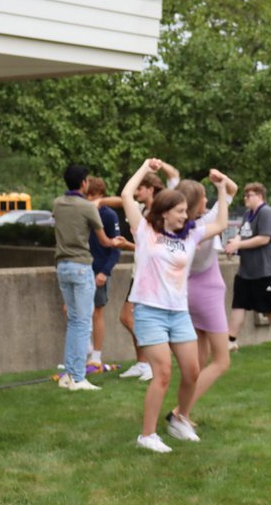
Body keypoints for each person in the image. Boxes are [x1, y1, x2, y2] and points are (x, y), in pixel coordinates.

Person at [121, 159, 231, 453]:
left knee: (192, 371)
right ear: (165, 212)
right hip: (150, 311)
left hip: (179, 313)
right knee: (163, 373)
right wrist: (145, 168)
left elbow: (221, 224)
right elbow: (126, 194)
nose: (186, 215)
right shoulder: (144, 230)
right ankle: (147, 435)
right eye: (181, 211)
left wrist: (221, 189)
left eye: (186, 211)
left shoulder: (191, 234)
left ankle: (179, 420)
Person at [52, 164, 125, 392]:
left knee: (74, 321)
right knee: (83, 322)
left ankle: (69, 375)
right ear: (84, 183)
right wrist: (116, 242)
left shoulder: (57, 203)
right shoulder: (87, 207)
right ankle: (78, 377)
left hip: (62, 266)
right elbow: (104, 240)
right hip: (82, 267)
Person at [104, 163, 178, 381]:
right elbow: (122, 199)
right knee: (129, 317)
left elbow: (155, 247)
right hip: (139, 272)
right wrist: (98, 202)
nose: (137, 192)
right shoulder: (144, 211)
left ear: (151, 190)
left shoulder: (162, 214)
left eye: (141, 188)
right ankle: (143, 363)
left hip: (149, 275)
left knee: (129, 318)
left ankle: (153, 362)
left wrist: (156, 165)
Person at [173, 172, 236, 424]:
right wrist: (220, 184)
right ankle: (179, 412)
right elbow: (232, 190)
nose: (207, 201)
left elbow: (231, 191)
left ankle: (183, 413)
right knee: (221, 361)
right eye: (203, 197)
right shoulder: (202, 225)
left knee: (199, 358)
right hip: (207, 294)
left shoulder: (177, 227)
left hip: (189, 293)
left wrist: (222, 187)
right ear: (195, 203)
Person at [223, 182, 271, 352]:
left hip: (267, 269)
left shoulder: (266, 212)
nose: (245, 198)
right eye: (244, 195)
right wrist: (234, 243)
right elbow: (241, 234)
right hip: (247, 270)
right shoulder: (247, 214)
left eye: (249, 195)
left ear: (259, 196)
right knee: (239, 304)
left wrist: (239, 245)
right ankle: (231, 341)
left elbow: (264, 238)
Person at [85, 176, 121, 374]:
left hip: (99, 269)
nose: (89, 199)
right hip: (82, 267)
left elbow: (116, 247)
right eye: (87, 195)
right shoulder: (82, 212)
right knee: (73, 311)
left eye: (93, 195)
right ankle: (85, 350)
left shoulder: (108, 215)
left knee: (97, 312)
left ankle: (96, 356)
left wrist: (105, 272)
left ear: (100, 195)